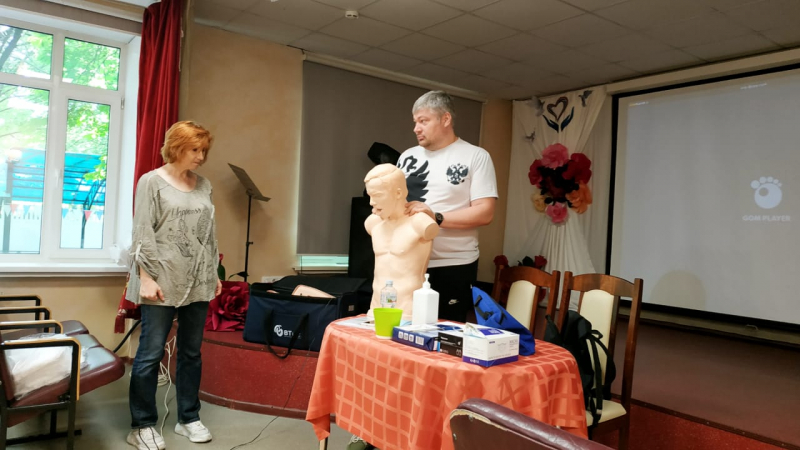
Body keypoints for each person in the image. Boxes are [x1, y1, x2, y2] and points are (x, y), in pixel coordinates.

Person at [126, 121, 221, 450]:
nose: (200, 157)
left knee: (192, 353)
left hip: (198, 279)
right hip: (161, 279)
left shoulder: (204, 185)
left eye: (204, 150)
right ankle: (142, 425)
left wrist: (214, 273)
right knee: (150, 354)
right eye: (195, 149)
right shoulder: (151, 181)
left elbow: (209, 233)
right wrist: (146, 278)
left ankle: (188, 418)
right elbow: (142, 232)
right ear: (177, 147)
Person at [398, 90, 497, 323]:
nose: (416, 128)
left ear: (445, 119)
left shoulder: (475, 156)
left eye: (423, 121)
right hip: (409, 261)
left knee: (444, 333)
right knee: (404, 330)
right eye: (415, 122)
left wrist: (436, 217)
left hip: (453, 265)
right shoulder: (407, 157)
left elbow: (485, 212)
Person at [364, 164, 438, 320]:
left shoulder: (420, 223)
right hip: (376, 307)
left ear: (398, 193)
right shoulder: (373, 223)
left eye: (377, 195)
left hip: (407, 309)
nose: (371, 202)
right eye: (370, 196)